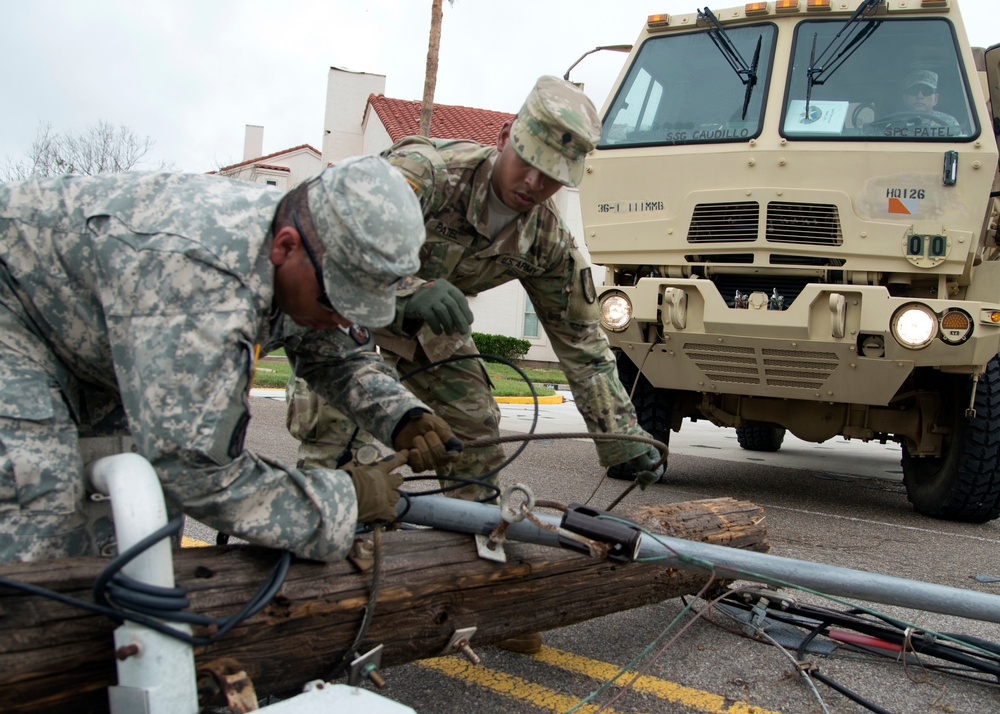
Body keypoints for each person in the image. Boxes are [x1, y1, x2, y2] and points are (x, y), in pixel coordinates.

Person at [0, 155, 461, 563]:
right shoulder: (201, 280)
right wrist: (346, 500)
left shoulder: (307, 252)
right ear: (285, 246)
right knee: (38, 503)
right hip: (14, 311)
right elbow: (196, 472)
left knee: (134, 528)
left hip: (95, 332)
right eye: (335, 301)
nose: (342, 318)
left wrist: (403, 416)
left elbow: (336, 355)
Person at [286, 76, 666, 507]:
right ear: (505, 137)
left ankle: (464, 547)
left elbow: (583, 346)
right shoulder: (426, 173)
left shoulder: (547, 240)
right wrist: (405, 290)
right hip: (344, 312)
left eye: (552, 177)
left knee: (475, 439)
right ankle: (317, 532)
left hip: (427, 332)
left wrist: (624, 436)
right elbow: (329, 247)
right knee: (337, 436)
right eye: (528, 161)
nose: (533, 184)